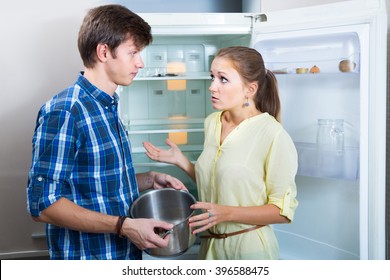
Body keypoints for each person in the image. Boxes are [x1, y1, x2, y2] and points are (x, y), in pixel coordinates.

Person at [26, 4, 187, 260]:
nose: (140, 62)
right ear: (103, 51)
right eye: (133, 52)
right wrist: (123, 225)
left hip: (123, 257)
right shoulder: (66, 111)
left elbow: (95, 184)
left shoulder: (108, 107)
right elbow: (43, 206)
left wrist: (149, 179)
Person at [143, 46, 298, 260]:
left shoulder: (273, 134)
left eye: (223, 79)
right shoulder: (212, 123)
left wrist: (227, 213)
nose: (212, 87)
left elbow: (282, 212)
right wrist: (182, 162)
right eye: (212, 77)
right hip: (210, 251)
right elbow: (217, 182)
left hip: (249, 251)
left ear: (249, 89)